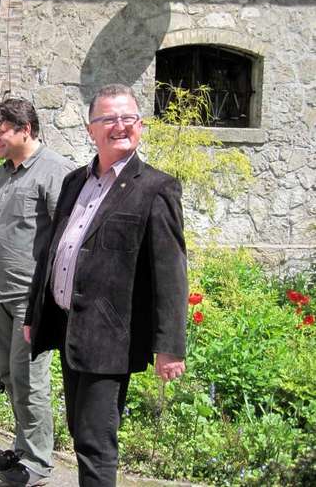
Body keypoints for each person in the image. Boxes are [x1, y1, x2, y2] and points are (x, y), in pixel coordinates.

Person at [24, 84, 188, 486]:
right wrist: (35, 313)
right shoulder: (75, 181)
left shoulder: (156, 188)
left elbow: (170, 271)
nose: (120, 126)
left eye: (128, 117)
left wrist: (169, 346)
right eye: (109, 119)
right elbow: (52, 251)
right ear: (90, 129)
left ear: (141, 125)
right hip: (69, 328)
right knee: (81, 432)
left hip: (110, 334)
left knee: (97, 442)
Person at [0, 98, 73, 487]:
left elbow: (66, 241)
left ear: (24, 130)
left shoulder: (55, 171)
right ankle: (23, 446)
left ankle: (40, 463)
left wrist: (50, 300)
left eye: (0, 133)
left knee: (30, 379)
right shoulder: (1, 174)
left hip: (33, 300)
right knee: (10, 375)